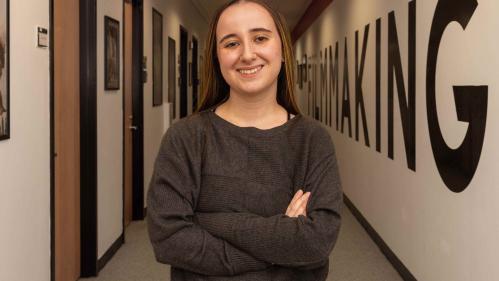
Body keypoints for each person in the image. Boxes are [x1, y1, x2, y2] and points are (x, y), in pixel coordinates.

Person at [147, 1, 342, 280]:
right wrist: (280, 247)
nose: (247, 54)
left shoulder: (312, 140)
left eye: (260, 38)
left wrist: (208, 221)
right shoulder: (186, 138)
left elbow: (315, 242)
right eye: (231, 44)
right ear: (217, 57)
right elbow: (168, 239)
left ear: (283, 50)